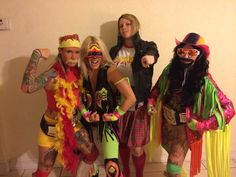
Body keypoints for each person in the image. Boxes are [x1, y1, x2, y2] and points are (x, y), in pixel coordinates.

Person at [147, 32, 235, 177]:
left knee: (173, 164)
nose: (186, 56)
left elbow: (229, 109)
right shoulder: (169, 71)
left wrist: (202, 125)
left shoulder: (205, 81)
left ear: (200, 56)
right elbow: (156, 90)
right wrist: (151, 103)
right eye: (182, 51)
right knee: (174, 162)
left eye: (192, 52)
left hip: (184, 130)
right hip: (166, 127)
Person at [21, 34, 99, 177]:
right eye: (69, 51)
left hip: (73, 124)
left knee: (92, 154)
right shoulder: (52, 74)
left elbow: (77, 100)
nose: (73, 56)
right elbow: (26, 87)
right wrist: (36, 55)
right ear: (61, 52)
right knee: (45, 168)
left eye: (76, 52)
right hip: (51, 127)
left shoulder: (79, 73)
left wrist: (87, 115)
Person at [109, 13, 159, 177]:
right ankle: (127, 172)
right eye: (121, 25)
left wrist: (149, 58)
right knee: (122, 143)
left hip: (139, 106)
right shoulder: (114, 50)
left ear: (135, 25)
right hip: (119, 105)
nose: (124, 28)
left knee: (137, 148)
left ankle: (139, 174)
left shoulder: (146, 47)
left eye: (128, 24)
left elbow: (153, 53)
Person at [79, 36, 136, 177]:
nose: (94, 58)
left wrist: (116, 114)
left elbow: (131, 97)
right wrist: (85, 113)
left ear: (102, 54)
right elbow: (75, 98)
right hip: (88, 126)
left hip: (107, 126)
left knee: (112, 168)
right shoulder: (81, 72)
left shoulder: (110, 71)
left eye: (97, 53)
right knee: (91, 167)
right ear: (85, 55)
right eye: (90, 54)